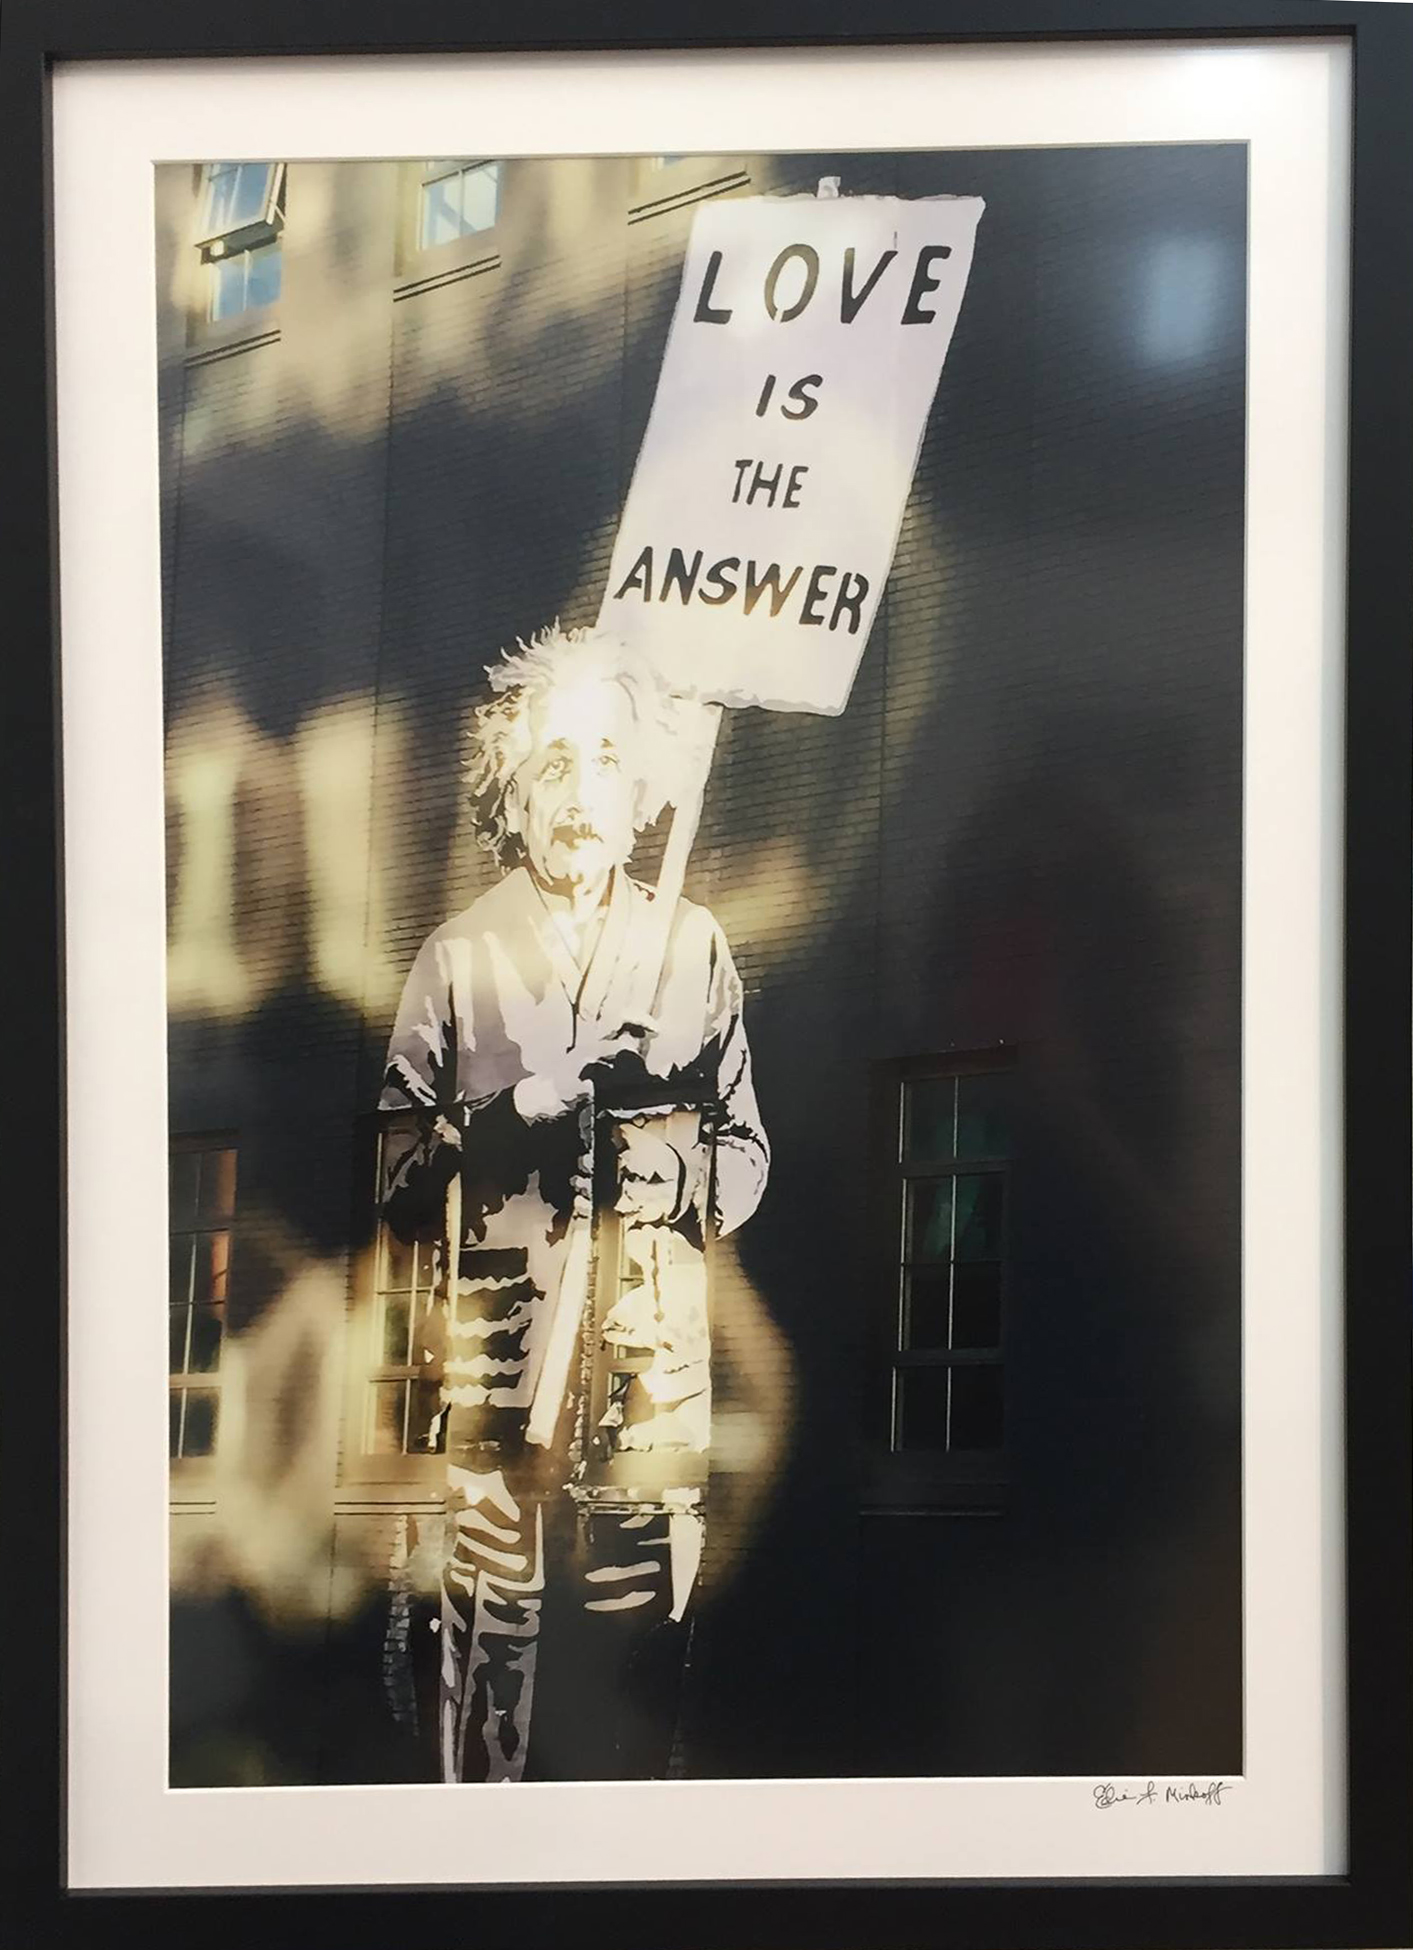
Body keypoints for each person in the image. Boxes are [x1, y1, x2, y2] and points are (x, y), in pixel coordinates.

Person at [380, 624, 768, 1783]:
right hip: (497, 1399)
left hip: (652, 1400)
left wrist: (677, 1179)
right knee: (490, 1706)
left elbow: (749, 1156)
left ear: (644, 786)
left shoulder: (691, 947)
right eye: (554, 762)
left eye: (606, 758)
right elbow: (395, 1174)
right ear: (513, 790)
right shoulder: (458, 958)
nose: (583, 789)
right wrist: (516, 1113)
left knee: (634, 1703)